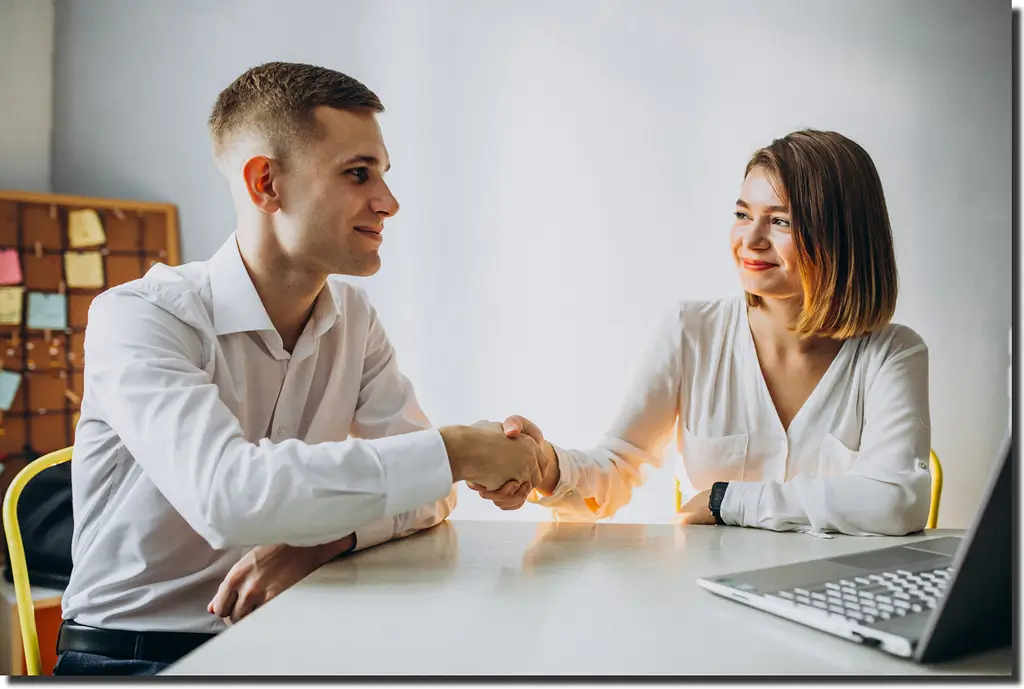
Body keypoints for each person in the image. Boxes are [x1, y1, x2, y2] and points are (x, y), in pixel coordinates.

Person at [53, 62, 547, 676]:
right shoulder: (139, 316)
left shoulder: (354, 319)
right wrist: (457, 450)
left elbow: (429, 491)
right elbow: (229, 497)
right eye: (358, 174)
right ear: (266, 184)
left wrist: (323, 541)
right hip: (134, 658)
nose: (388, 203)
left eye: (384, 175)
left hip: (286, 642)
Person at [472, 129, 932, 538]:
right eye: (742, 214)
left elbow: (896, 501)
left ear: (844, 237)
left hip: (831, 594)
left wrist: (725, 500)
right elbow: (615, 465)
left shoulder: (893, 354)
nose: (750, 239)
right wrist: (546, 467)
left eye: (781, 221)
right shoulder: (690, 331)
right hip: (709, 593)